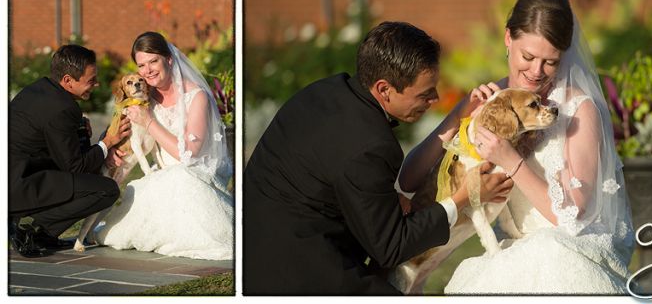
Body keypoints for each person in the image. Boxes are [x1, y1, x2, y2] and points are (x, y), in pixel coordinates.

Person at [243, 21, 513, 295]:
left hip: (256, 244)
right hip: (298, 273)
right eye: (425, 93)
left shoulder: (326, 91)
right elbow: (391, 247)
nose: (435, 98)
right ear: (384, 89)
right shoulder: (369, 146)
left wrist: (458, 115)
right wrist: (464, 196)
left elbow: (333, 178)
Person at [399, 0, 635, 294]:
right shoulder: (492, 100)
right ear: (508, 38)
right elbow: (410, 177)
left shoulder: (578, 109)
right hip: (512, 249)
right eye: (528, 56)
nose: (537, 71)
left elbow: (572, 215)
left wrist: (509, 160)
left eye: (550, 61)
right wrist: (460, 113)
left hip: (562, 250)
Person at [95, 32, 234, 261]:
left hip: (195, 174)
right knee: (119, 231)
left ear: (168, 59)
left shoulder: (195, 96)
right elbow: (118, 121)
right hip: (161, 175)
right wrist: (112, 149)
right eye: (141, 65)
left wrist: (147, 121)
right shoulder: (145, 95)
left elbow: (188, 154)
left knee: (186, 197)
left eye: (153, 61)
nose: (147, 70)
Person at [9, 44, 130, 257]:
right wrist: (108, 142)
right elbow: (76, 166)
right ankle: (34, 232)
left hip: (18, 172)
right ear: (67, 80)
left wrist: (81, 134)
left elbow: (58, 148)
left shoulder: (39, 89)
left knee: (89, 177)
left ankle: (40, 233)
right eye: (91, 80)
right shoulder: (63, 108)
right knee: (106, 189)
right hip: (18, 185)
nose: (96, 84)